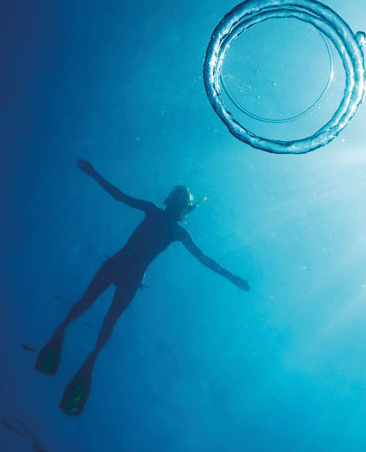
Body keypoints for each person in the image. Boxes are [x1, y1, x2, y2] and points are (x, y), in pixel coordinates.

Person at [35, 159, 250, 416]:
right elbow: (119, 196)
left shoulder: (172, 227)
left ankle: (85, 354)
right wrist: (94, 174)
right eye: (175, 196)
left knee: (103, 317)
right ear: (175, 202)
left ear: (181, 206)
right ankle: (72, 340)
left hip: (123, 270)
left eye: (178, 199)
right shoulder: (163, 219)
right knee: (91, 308)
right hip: (125, 271)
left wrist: (231, 276)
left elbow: (204, 259)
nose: (174, 200)